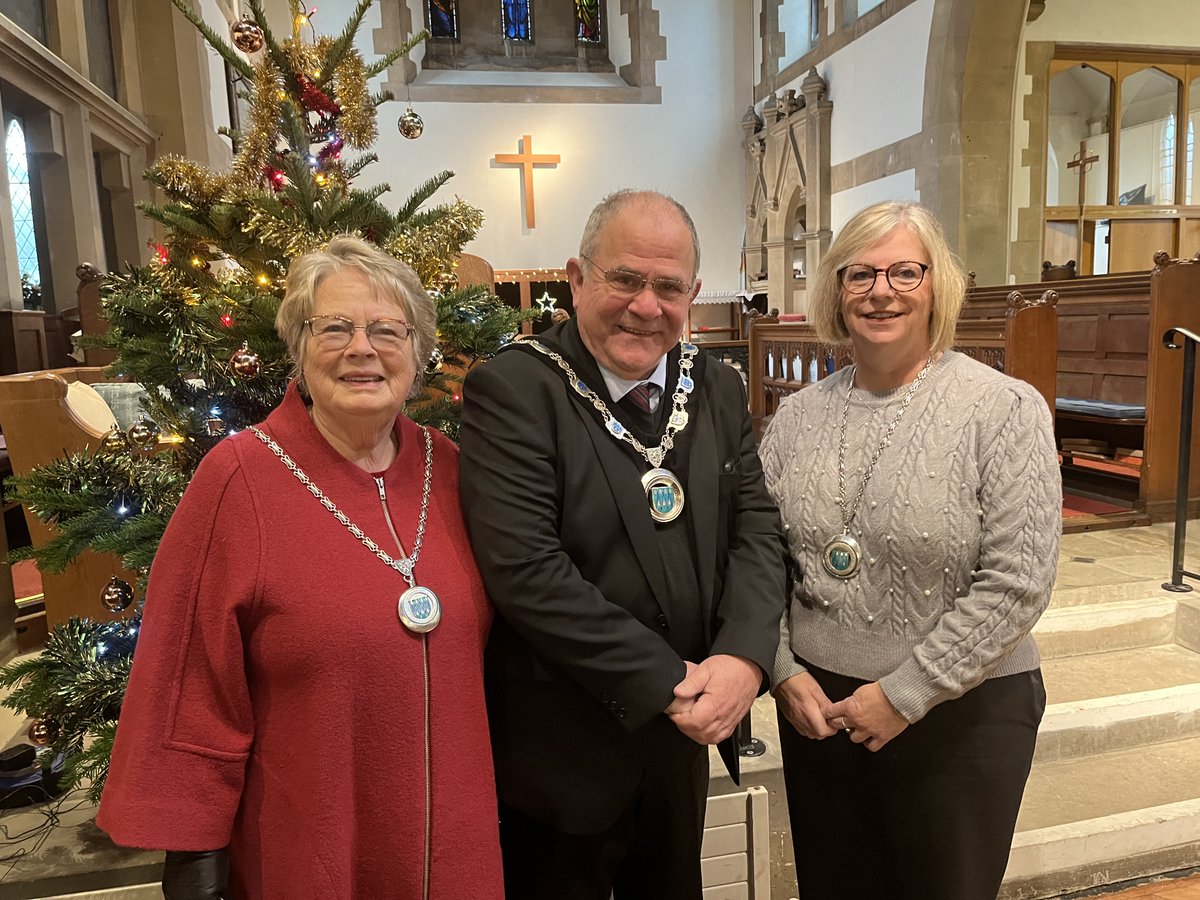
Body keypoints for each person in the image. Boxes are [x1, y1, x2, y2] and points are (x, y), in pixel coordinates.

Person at [97, 236, 503, 899]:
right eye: (335, 328)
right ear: (299, 347)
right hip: (312, 844)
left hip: (459, 845)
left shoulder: (453, 470)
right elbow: (189, 677)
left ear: (419, 351)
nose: (362, 349)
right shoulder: (237, 480)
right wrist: (195, 855)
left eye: (386, 330)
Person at [458, 189, 786, 900]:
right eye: (625, 279)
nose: (646, 305)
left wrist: (743, 659)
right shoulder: (513, 391)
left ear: (693, 294)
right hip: (564, 754)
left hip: (680, 744)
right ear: (577, 279)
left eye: (668, 287)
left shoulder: (718, 389)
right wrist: (667, 681)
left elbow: (757, 530)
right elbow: (526, 571)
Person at [761, 200, 1061, 900]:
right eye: (859, 273)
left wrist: (904, 694)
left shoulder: (1004, 409)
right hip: (819, 709)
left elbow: (1019, 581)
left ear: (936, 286)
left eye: (904, 271)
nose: (881, 291)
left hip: (962, 711)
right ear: (836, 290)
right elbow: (757, 560)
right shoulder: (796, 418)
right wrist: (779, 667)